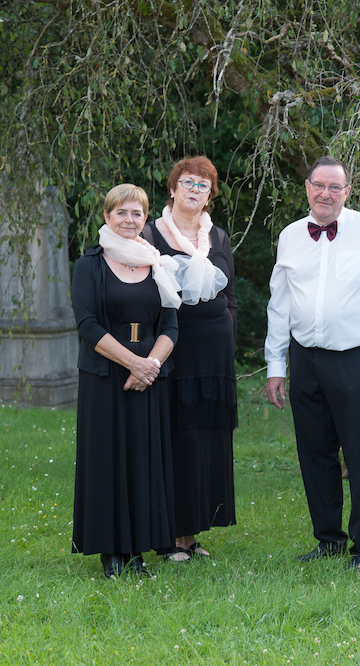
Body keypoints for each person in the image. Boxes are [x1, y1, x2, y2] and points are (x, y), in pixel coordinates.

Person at [265, 157, 360, 569]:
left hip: (355, 358)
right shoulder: (290, 236)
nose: (325, 194)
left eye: (334, 187)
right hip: (304, 356)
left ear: (347, 191)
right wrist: (276, 364)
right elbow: (280, 303)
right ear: (307, 187)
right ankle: (328, 539)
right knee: (314, 451)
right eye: (318, 185)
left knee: (359, 453)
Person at [71, 184, 181, 578]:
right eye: (121, 213)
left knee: (142, 458)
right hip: (105, 374)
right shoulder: (90, 265)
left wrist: (149, 365)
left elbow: (170, 324)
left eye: (137, 214)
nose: (129, 220)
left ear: (145, 219)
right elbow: (87, 325)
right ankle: (111, 552)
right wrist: (133, 363)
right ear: (107, 216)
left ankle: (136, 550)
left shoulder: (158, 265)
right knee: (107, 459)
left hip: (148, 375)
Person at [143, 156, 237, 562]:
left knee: (207, 438)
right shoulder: (150, 234)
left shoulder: (217, 236)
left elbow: (230, 295)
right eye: (188, 182)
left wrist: (229, 336)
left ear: (210, 194)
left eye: (203, 185)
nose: (195, 190)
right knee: (177, 437)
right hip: (174, 346)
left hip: (213, 351)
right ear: (173, 188)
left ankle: (192, 534)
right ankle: (170, 536)